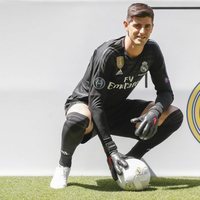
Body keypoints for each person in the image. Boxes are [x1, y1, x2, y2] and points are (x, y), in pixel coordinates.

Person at [50, 3, 183, 189]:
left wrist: (155, 112)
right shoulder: (108, 53)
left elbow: (166, 92)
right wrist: (111, 151)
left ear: (152, 27)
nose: (142, 31)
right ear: (126, 25)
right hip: (87, 104)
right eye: (137, 25)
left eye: (147, 26)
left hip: (116, 108)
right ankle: (63, 166)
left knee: (174, 115)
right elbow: (95, 102)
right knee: (76, 120)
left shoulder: (152, 51)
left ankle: (132, 159)